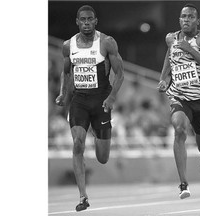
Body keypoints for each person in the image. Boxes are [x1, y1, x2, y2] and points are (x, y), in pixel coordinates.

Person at [55, 5, 124, 212]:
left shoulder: (106, 42)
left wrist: (112, 98)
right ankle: (83, 196)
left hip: (101, 101)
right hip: (80, 101)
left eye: (90, 19)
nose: (86, 23)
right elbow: (66, 73)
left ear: (95, 21)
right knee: (77, 144)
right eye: (82, 19)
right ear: (77, 22)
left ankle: (97, 131)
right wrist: (63, 94)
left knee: (102, 158)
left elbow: (120, 74)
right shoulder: (68, 45)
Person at [158, 3, 200, 199]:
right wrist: (164, 77)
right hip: (179, 96)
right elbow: (170, 55)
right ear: (179, 20)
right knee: (179, 129)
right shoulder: (171, 38)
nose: (186, 20)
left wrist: (190, 50)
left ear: (197, 21)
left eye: (191, 17)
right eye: (184, 16)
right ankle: (183, 184)